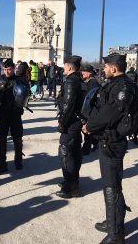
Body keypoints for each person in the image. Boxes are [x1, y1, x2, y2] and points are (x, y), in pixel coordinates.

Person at [82, 53, 136, 244]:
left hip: (113, 142)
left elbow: (111, 113)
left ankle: (116, 236)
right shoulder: (116, 84)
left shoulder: (123, 87)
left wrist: (90, 126)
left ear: (113, 68)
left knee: (112, 187)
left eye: (105, 67)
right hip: (107, 140)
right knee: (110, 186)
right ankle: (112, 222)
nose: (103, 70)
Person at [0, 58, 28, 174]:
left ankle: (18, 161)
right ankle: (1, 164)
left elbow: (26, 96)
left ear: (13, 69)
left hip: (15, 114)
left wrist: (21, 104)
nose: (7, 71)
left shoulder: (20, 80)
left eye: (9, 69)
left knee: (17, 138)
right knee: (1, 139)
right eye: (5, 69)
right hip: (2, 114)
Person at [56, 55, 84, 199]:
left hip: (71, 122)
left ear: (69, 67)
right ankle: (72, 181)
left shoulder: (71, 81)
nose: (63, 68)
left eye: (64, 65)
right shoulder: (79, 79)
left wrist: (62, 123)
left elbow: (68, 105)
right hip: (76, 121)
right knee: (74, 152)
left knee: (66, 153)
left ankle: (70, 186)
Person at [81, 64, 100, 155]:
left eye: (84, 71)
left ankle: (86, 148)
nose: (82, 73)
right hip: (88, 109)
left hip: (91, 110)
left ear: (90, 73)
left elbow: (89, 99)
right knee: (87, 129)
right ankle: (95, 142)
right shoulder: (88, 82)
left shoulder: (93, 83)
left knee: (87, 129)